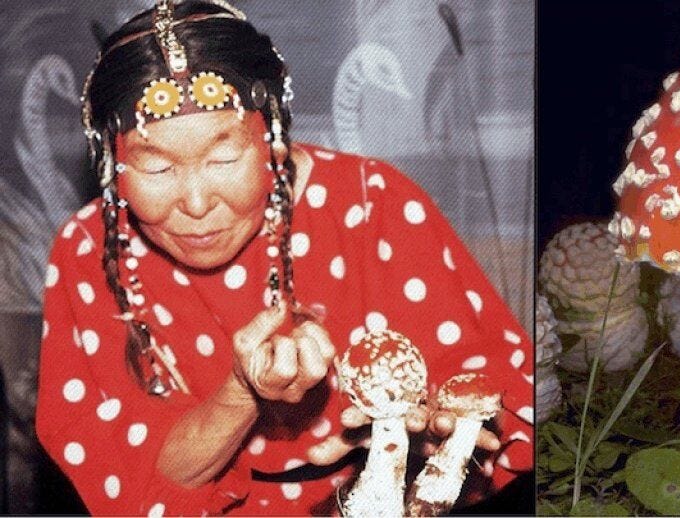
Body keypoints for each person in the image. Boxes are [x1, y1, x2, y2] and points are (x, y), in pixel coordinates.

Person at [34, 1, 534, 515]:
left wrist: (430, 438)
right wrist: (242, 392)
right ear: (112, 164)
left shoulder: (373, 205)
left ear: (273, 139)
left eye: (224, 158)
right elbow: (134, 483)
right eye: (156, 170)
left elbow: (499, 396)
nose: (197, 203)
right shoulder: (91, 253)